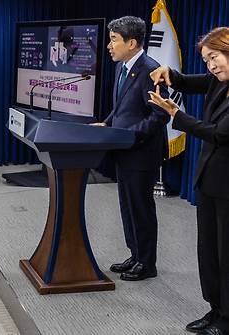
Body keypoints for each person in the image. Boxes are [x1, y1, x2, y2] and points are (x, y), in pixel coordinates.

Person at [148, 27, 229, 335]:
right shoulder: (218, 81)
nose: (211, 65)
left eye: (215, 57)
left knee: (226, 255)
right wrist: (169, 72)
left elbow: (219, 133)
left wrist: (176, 116)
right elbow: (186, 81)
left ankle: (227, 320)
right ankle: (216, 308)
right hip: (209, 182)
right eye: (207, 59)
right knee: (208, 250)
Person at [91, 16, 169, 281]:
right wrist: (108, 123)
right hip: (123, 149)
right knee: (127, 206)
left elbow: (159, 115)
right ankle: (135, 255)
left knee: (141, 208)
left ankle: (147, 264)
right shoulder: (123, 66)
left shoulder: (151, 70)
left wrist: (126, 135)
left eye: (114, 40)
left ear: (132, 42)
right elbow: (122, 106)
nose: (109, 46)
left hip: (141, 152)